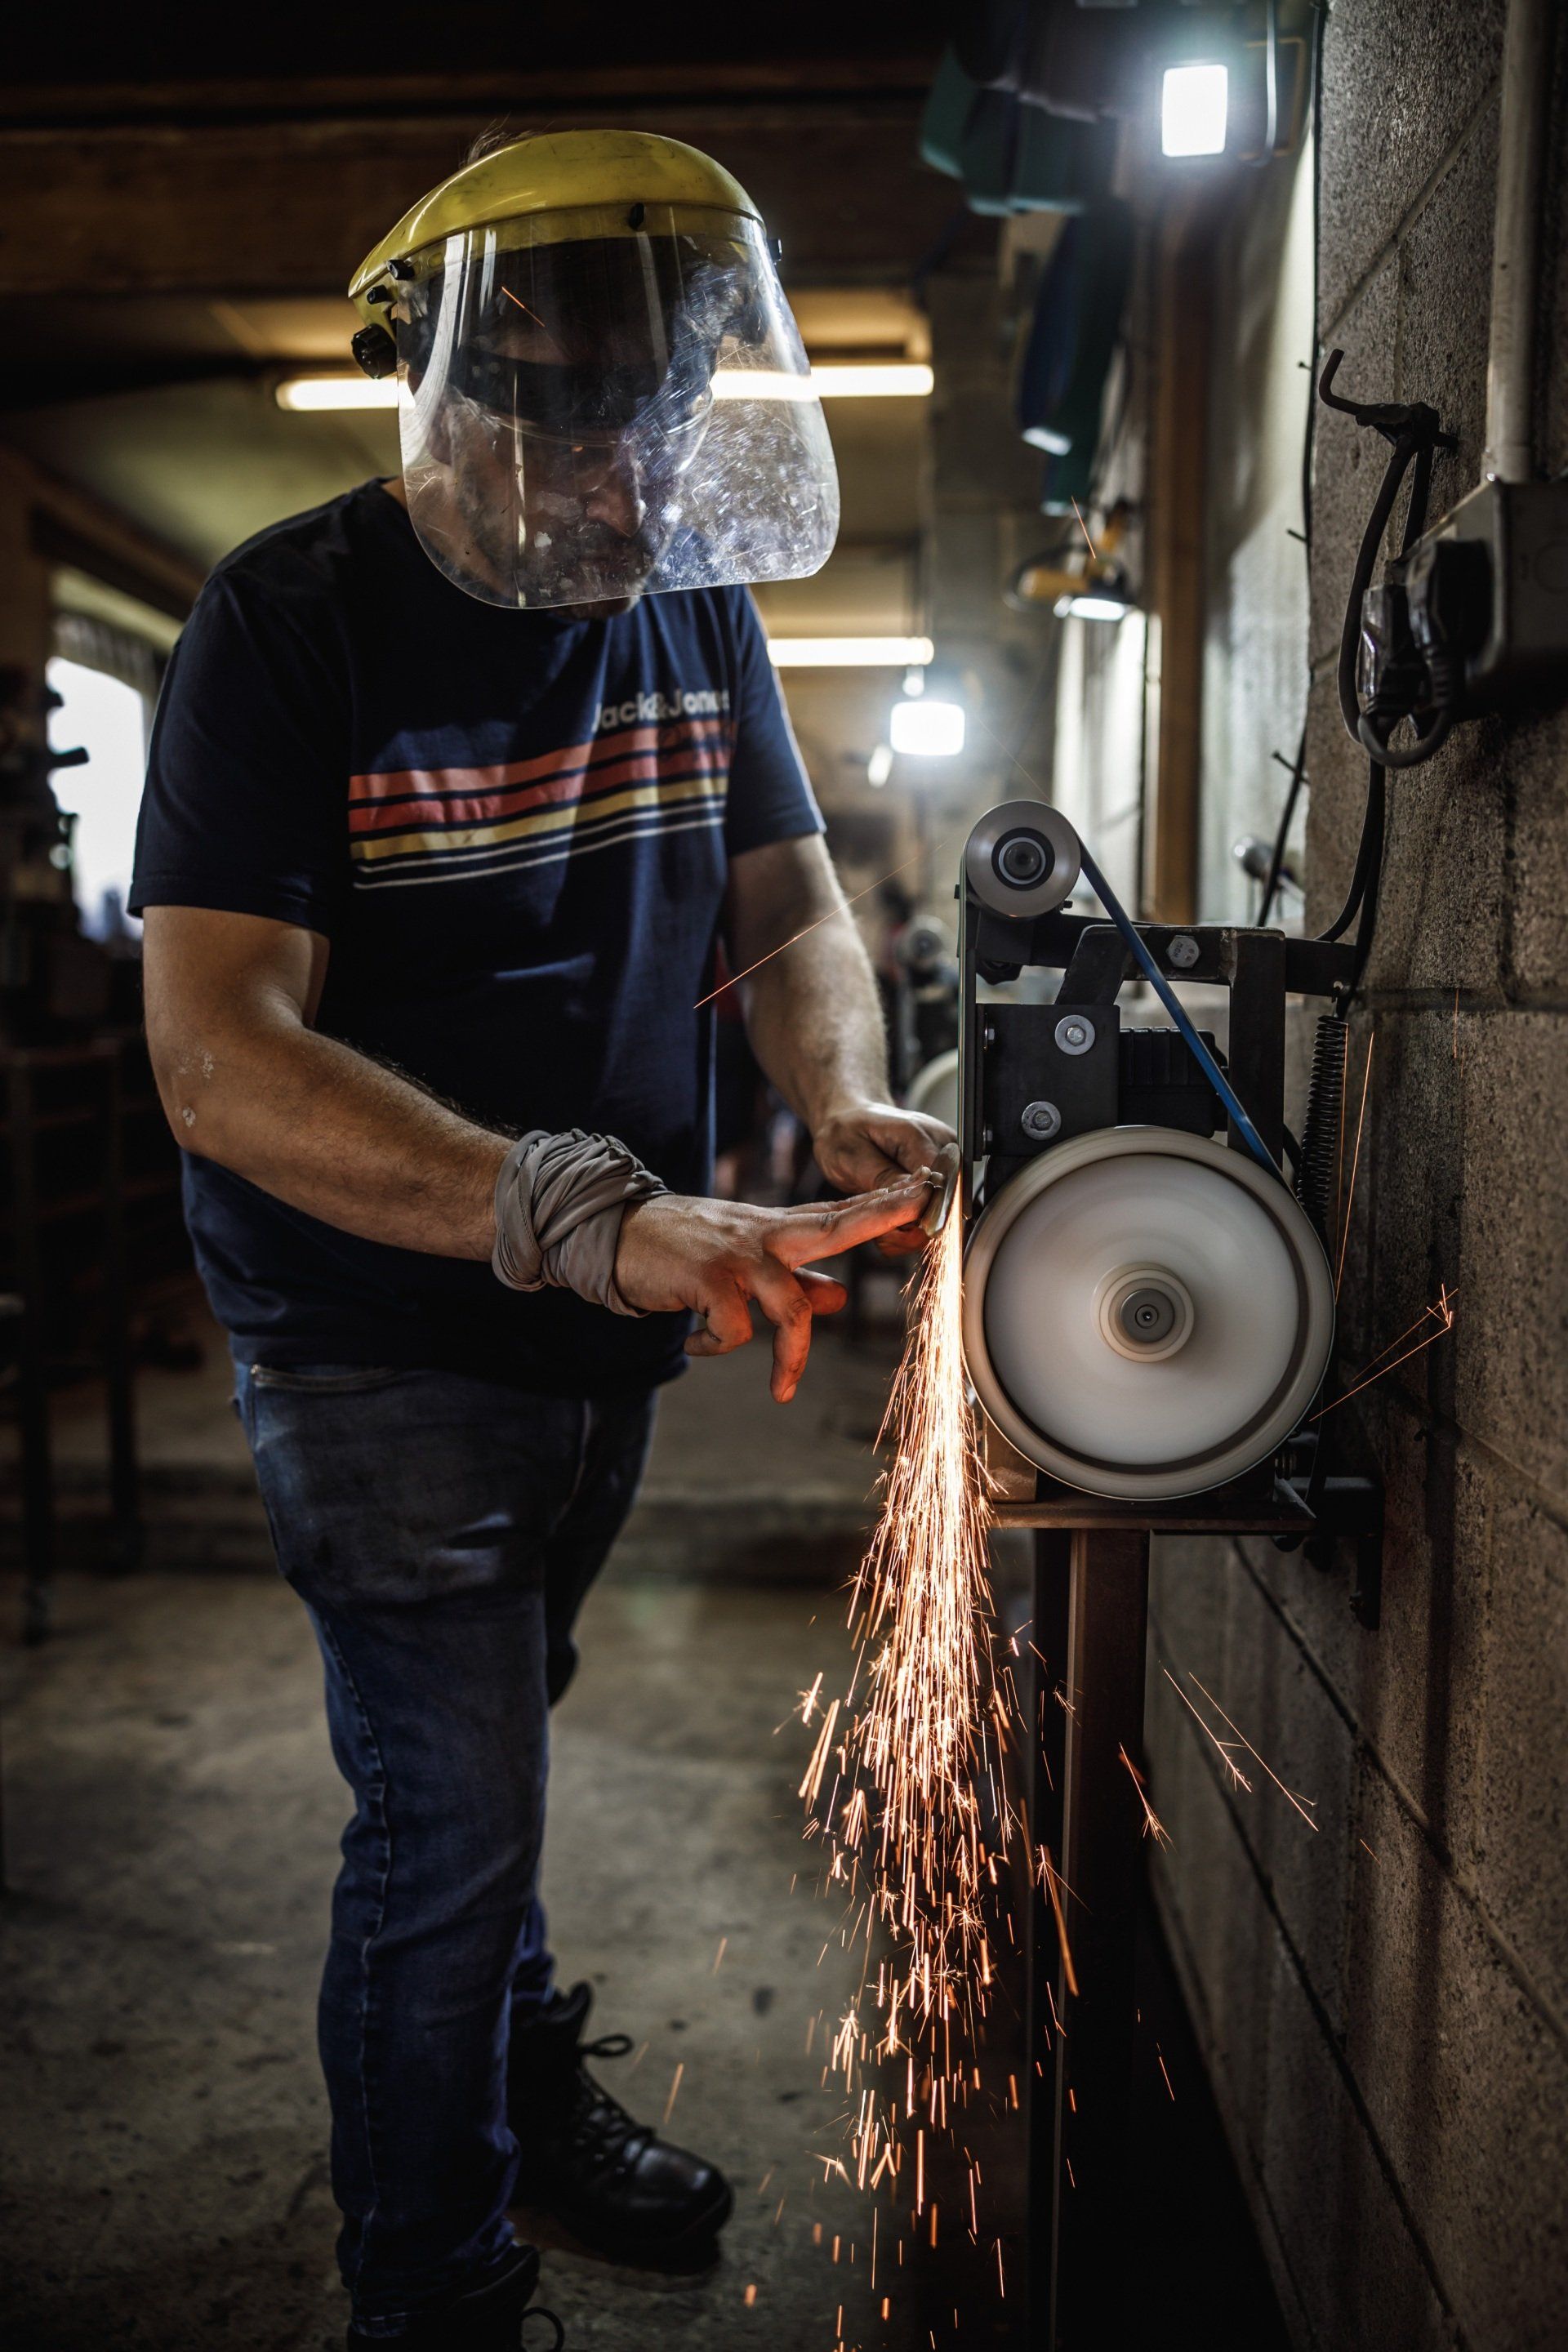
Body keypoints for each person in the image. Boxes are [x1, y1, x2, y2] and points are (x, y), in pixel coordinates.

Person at [131, 127, 954, 2350]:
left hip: (618, 1320)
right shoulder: (282, 626)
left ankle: (514, 2078)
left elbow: (786, 899)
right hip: (377, 1329)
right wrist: (583, 1213)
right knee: (450, 1819)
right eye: (564, 433)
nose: (618, 492)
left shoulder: (685, 599)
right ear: (441, 388)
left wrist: (835, 1086)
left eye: (655, 435)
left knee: (488, 1751)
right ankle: (441, 2283)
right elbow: (215, 1056)